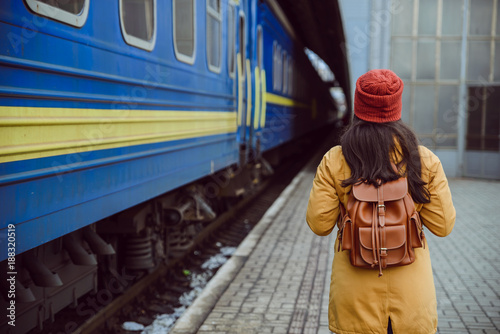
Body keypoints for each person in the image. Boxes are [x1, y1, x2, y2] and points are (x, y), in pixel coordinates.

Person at [306, 69, 456, 334]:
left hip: (354, 298)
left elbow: (319, 224)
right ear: (396, 107)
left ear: (358, 107)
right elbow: (443, 226)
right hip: (412, 299)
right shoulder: (424, 161)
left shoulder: (335, 159)